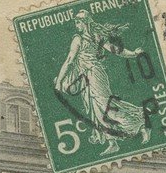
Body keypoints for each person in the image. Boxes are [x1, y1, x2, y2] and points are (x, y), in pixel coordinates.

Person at [54, 10, 151, 155]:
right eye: (75, 22)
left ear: (85, 22)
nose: (76, 25)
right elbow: (116, 50)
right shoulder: (94, 37)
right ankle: (112, 142)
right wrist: (133, 54)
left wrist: (59, 81)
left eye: (78, 22)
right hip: (88, 76)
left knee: (106, 108)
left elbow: (69, 61)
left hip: (93, 75)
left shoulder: (80, 39)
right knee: (96, 110)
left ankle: (140, 122)